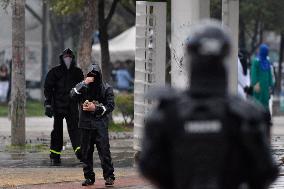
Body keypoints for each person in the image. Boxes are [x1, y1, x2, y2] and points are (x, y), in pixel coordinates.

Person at [139, 20, 278, 189]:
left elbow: (148, 165)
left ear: (190, 57)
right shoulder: (247, 114)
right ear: (225, 57)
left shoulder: (167, 113)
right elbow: (266, 171)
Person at [70, 63, 115, 187]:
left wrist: (96, 108)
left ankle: (109, 176)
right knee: (86, 153)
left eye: (95, 75)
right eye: (90, 75)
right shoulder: (83, 87)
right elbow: (72, 95)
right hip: (85, 125)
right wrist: (84, 83)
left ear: (100, 76)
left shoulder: (106, 88)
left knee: (104, 152)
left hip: (100, 125)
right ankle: (89, 177)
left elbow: (110, 106)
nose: (93, 78)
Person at [44, 48, 84, 166]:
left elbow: (82, 88)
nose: (68, 59)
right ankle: (55, 154)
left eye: (70, 57)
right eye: (66, 57)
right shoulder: (54, 72)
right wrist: (48, 104)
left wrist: (82, 101)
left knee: (75, 130)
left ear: (73, 59)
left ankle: (80, 152)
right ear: (62, 58)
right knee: (57, 131)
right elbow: (48, 89)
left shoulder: (77, 72)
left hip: (72, 106)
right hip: (58, 106)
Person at [251, 44, 274, 111]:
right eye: (266, 51)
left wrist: (270, 85)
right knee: (257, 102)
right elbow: (253, 73)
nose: (267, 52)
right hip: (258, 85)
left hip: (266, 87)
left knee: (265, 101)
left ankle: (265, 117)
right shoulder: (256, 61)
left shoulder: (267, 61)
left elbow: (269, 74)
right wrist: (255, 83)